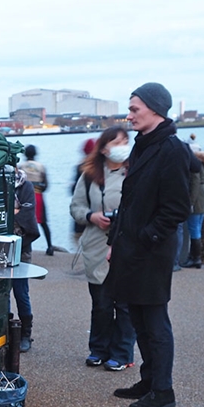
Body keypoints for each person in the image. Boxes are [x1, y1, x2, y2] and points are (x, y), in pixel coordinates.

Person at [108, 83, 191, 407]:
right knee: (139, 318)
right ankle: (149, 379)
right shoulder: (144, 145)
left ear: (156, 109)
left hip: (151, 252)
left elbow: (176, 208)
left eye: (134, 109)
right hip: (132, 248)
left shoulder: (171, 149)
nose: (129, 116)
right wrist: (117, 240)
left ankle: (163, 390)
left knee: (155, 321)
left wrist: (145, 237)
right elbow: (129, 202)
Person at [69, 125, 136, 371]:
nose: (122, 147)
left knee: (125, 305)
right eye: (117, 142)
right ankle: (98, 349)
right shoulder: (89, 175)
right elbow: (75, 208)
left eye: (125, 141)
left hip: (127, 245)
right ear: (105, 147)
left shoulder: (135, 172)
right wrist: (92, 216)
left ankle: (121, 353)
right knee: (101, 303)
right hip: (96, 245)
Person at [178, 133, 204, 269]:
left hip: (197, 201)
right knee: (197, 228)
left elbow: (194, 185)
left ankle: (195, 258)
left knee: (194, 230)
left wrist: (190, 203)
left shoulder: (194, 166)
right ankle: (195, 257)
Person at [11, 167, 39, 352]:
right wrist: (13, 210)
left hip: (22, 247)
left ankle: (25, 334)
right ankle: (4, 330)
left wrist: (14, 212)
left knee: (21, 291)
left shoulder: (25, 185)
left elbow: (27, 216)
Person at [20, 144, 54, 255]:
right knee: (43, 222)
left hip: (24, 197)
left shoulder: (21, 167)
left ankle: (23, 246)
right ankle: (50, 246)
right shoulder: (41, 167)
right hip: (38, 195)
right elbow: (46, 184)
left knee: (22, 223)